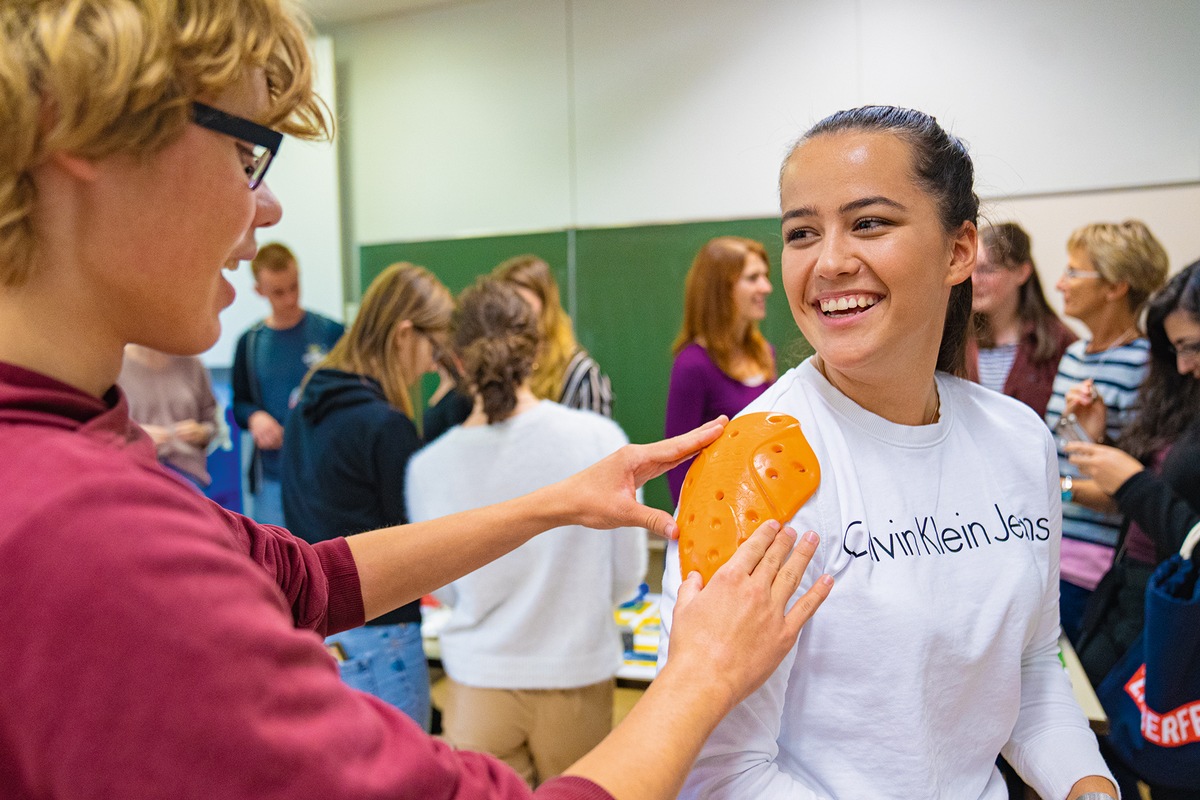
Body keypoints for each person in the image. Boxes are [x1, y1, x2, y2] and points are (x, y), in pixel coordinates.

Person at [0, 2, 833, 798]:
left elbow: (306, 578)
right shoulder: (81, 529)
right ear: (81, 130)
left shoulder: (72, 438)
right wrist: (705, 673)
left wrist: (554, 504)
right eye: (246, 153)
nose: (268, 202)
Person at [659, 106, 1116, 800]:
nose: (830, 261)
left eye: (869, 222)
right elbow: (718, 766)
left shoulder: (1019, 439)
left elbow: (1027, 666)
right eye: (802, 232)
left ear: (959, 251)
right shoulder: (755, 468)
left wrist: (1089, 787)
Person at [408, 278, 646, 786]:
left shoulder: (429, 467)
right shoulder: (599, 440)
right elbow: (627, 576)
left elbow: (445, 589)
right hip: (576, 673)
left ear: (455, 359)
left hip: (479, 681)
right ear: (536, 353)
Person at [281, 262, 454, 729]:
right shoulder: (385, 426)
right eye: (434, 346)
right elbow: (417, 543)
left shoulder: (307, 403)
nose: (433, 363)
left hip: (324, 631)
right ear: (404, 334)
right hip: (384, 636)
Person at [1066, 260, 1200, 800]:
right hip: (1134, 590)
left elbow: (1167, 508)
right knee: (1103, 736)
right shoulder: (1181, 394)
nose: (1185, 365)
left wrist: (1132, 483)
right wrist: (1106, 450)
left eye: (1192, 345)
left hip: (1174, 608)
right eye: (1177, 350)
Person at [1045, 220, 1169, 644]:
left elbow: (1128, 494)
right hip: (1047, 554)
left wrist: (1054, 485)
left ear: (1116, 286)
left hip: (1093, 568)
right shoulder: (1074, 355)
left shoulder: (1145, 365)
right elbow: (1070, 447)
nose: (1060, 283)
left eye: (1075, 272)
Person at [232, 241, 343, 525]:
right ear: (259, 290)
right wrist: (256, 417)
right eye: (278, 292)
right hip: (273, 478)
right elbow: (241, 403)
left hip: (324, 472)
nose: (290, 298)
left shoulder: (331, 333)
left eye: (294, 286)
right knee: (274, 564)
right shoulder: (250, 343)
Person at [664, 236, 776, 505]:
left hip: (766, 504)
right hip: (718, 514)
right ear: (721, 290)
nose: (766, 287)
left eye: (765, 276)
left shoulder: (764, 353)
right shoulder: (693, 364)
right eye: (752, 278)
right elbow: (678, 462)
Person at [966, 222, 1077, 417]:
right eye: (971, 270)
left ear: (1022, 272)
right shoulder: (956, 339)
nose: (974, 280)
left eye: (987, 270)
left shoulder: (1058, 341)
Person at [495, 255, 614, 417]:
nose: (514, 314)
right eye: (505, 305)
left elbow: (595, 438)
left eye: (524, 305)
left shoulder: (581, 375)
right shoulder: (496, 368)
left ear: (546, 306)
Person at [118, 344, 220, 487]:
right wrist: (135, 434)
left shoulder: (192, 364)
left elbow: (213, 423)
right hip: (132, 471)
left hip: (187, 474)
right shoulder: (115, 366)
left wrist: (201, 432)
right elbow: (100, 430)